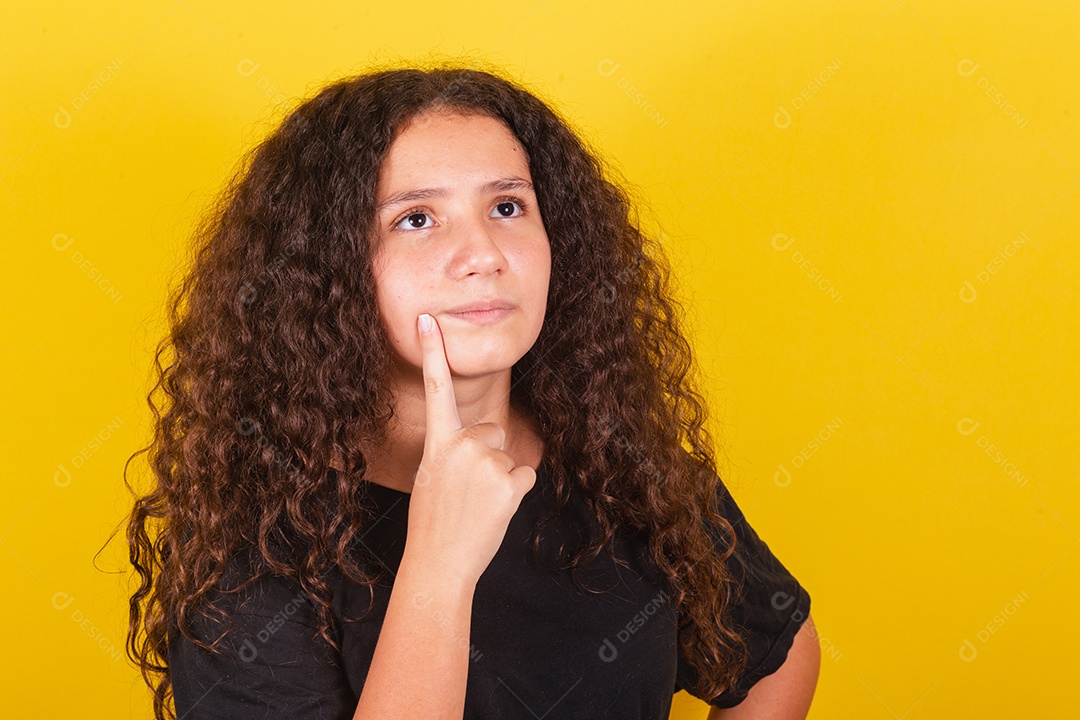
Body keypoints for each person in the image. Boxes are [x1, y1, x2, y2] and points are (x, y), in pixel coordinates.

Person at [125, 63, 820, 720]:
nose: (483, 253)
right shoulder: (258, 544)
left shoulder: (615, 456)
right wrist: (440, 562)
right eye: (417, 219)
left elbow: (777, 648)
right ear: (323, 268)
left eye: (509, 206)